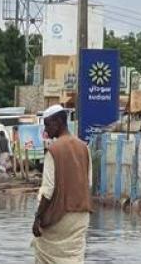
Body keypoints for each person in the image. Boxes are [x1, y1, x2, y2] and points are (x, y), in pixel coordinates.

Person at [31, 104, 92, 264]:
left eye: (47, 125)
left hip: (60, 218)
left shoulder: (53, 151)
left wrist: (37, 218)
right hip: (81, 217)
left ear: (58, 122)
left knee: (46, 255)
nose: (46, 131)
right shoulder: (84, 148)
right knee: (74, 258)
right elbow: (88, 183)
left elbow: (48, 191)